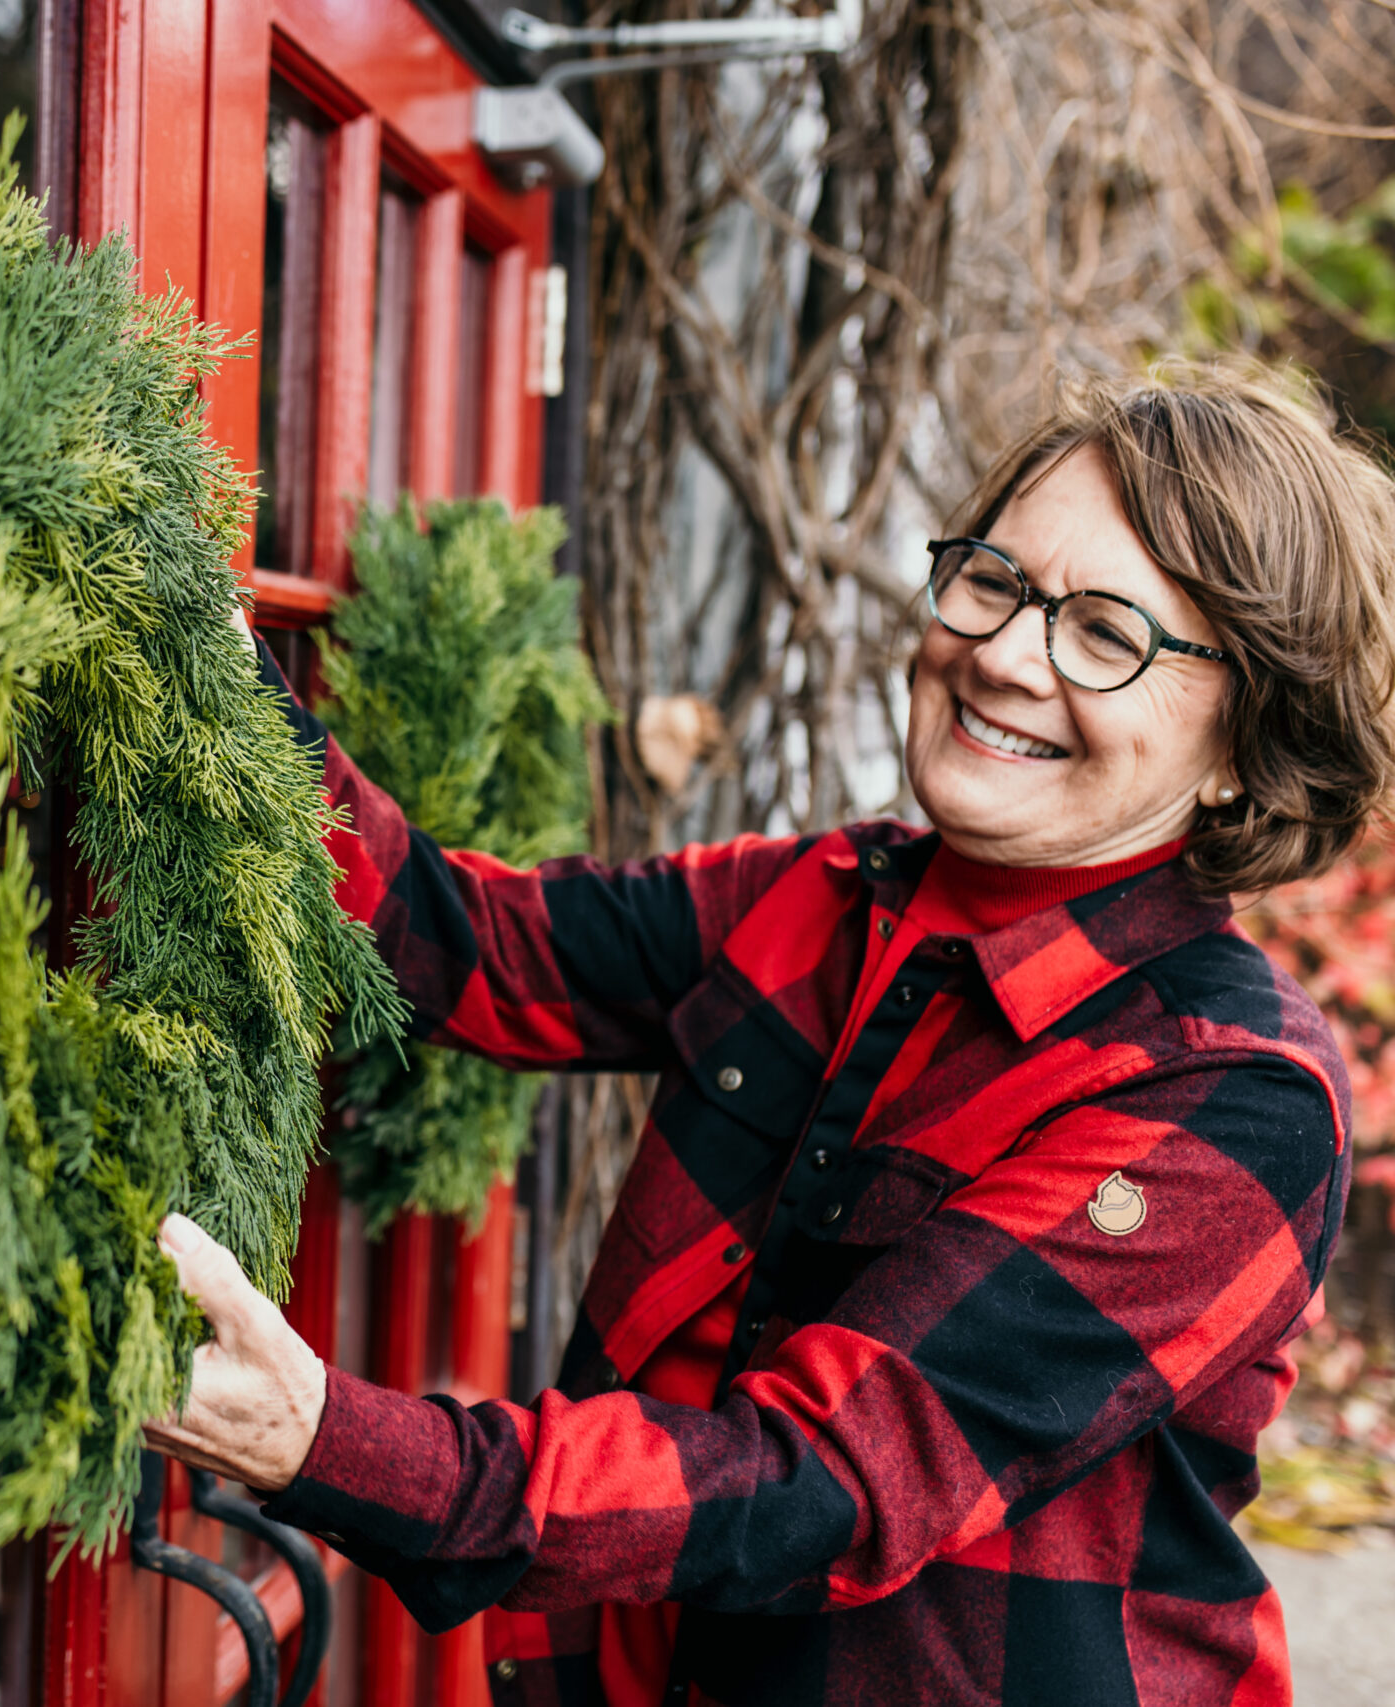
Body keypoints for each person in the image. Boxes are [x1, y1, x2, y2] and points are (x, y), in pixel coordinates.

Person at [146, 364, 1395, 1705]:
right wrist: (219, 682)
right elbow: (471, 949)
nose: (1004, 654)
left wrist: (330, 1440)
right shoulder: (827, 892)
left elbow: (833, 1480)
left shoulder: (1230, 1095)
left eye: (1106, 634)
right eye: (994, 580)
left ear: (1240, 743)